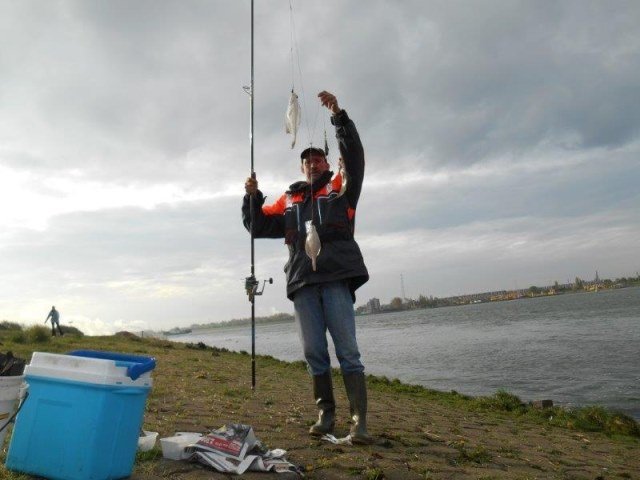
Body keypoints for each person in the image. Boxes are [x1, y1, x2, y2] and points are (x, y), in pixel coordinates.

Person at [243, 91, 371, 444]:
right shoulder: (290, 199)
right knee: (314, 351)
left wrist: (339, 117)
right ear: (301, 167)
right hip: (302, 282)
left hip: (335, 279)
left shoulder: (340, 186)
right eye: (307, 160)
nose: (312, 163)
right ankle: (325, 414)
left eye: (317, 159)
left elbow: (355, 158)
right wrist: (252, 196)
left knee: (347, 350)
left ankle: (359, 421)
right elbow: (257, 225)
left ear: (326, 163)